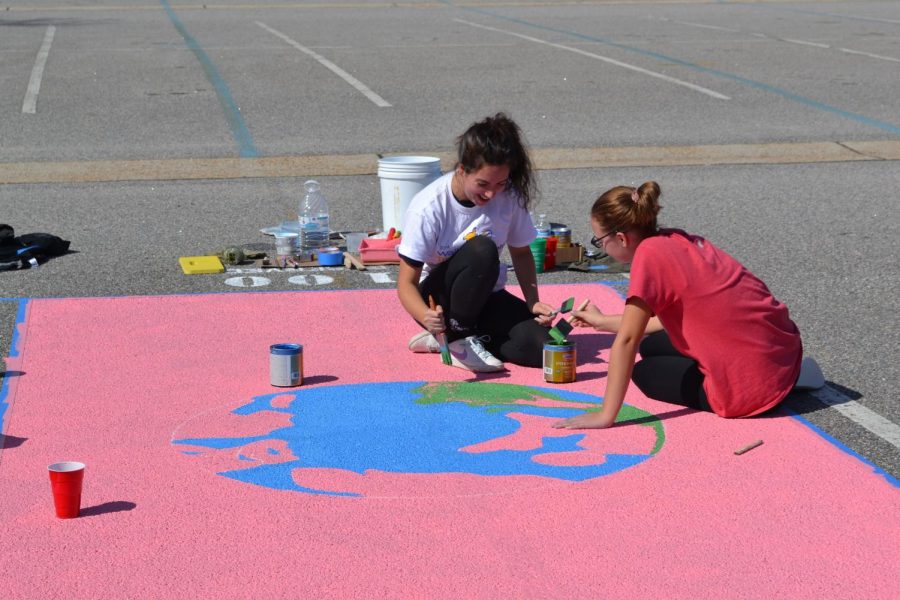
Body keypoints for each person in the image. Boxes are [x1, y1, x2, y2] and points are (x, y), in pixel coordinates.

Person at [553, 181, 803, 428]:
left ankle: (742, 383)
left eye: (599, 241)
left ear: (621, 238)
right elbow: (676, 316)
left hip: (751, 390)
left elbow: (627, 340)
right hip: (782, 355)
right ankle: (774, 377)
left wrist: (605, 415)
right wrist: (603, 321)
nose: (601, 248)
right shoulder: (675, 238)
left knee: (645, 372)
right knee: (652, 346)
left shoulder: (649, 256)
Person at [397, 113, 556, 372]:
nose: (491, 193)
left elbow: (522, 253)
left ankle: (452, 340)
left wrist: (532, 302)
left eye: (500, 183)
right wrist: (425, 316)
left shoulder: (510, 198)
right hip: (438, 302)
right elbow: (405, 283)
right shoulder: (428, 207)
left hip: (484, 295)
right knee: (482, 249)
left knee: (545, 349)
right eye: (482, 183)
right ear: (462, 169)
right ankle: (456, 338)